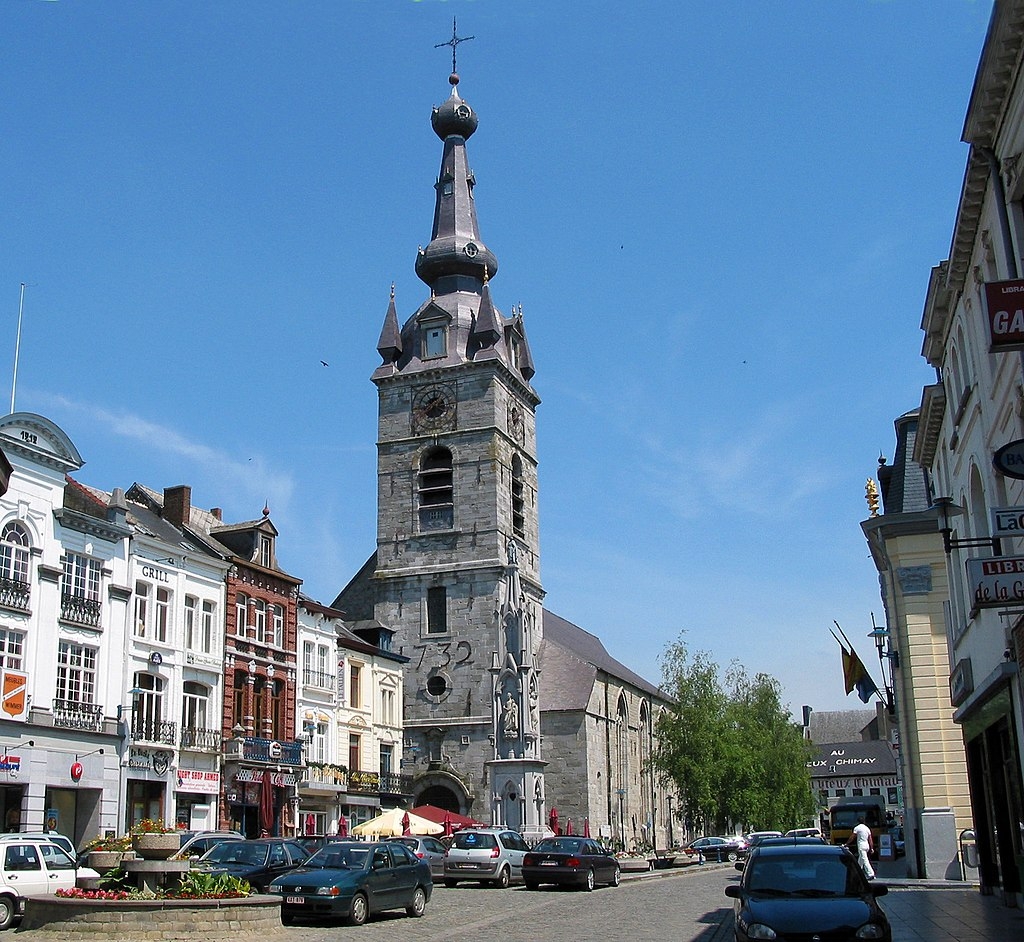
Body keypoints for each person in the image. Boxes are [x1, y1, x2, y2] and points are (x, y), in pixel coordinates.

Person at [847, 814, 875, 879]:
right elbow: (870, 839)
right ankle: (858, 872)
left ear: (858, 821)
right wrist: (872, 848)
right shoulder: (867, 828)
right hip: (867, 845)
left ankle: (871, 874)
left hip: (861, 845)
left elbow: (852, 837)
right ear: (864, 821)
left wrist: (847, 843)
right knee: (861, 860)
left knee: (865, 860)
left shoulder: (857, 828)